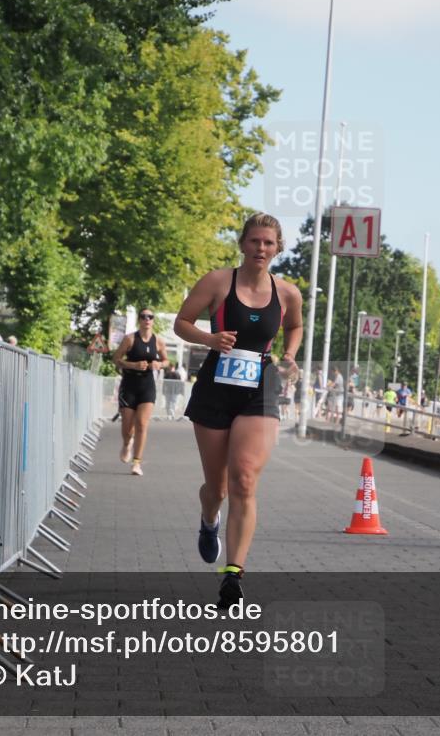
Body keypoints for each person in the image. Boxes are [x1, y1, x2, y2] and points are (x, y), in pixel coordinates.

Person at [174, 212, 303, 609]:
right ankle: (208, 519)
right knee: (218, 488)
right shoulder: (217, 281)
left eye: (268, 243)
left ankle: (233, 575)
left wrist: (289, 355)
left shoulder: (287, 292)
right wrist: (209, 338)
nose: (260, 249)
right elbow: (181, 323)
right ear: (242, 244)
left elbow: (295, 326)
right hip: (216, 385)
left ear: (278, 248)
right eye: (254, 241)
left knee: (244, 479)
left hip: (260, 385)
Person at [112, 308, 167, 476]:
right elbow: (116, 359)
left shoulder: (158, 341)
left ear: (153, 320)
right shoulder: (129, 339)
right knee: (127, 427)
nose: (147, 319)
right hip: (129, 385)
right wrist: (133, 365)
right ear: (139, 320)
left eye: (150, 317)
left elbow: (166, 360)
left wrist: (159, 365)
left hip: (147, 386)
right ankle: (127, 443)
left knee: (142, 424)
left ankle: (136, 463)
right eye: (143, 317)